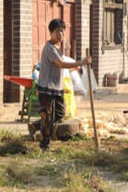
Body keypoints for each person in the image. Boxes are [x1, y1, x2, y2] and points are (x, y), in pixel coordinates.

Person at [35, 18, 92, 150]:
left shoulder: (58, 47)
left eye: (62, 31)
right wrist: (80, 62)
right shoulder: (49, 48)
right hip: (46, 87)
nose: (60, 34)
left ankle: (37, 125)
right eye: (57, 32)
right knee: (48, 117)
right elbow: (61, 64)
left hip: (56, 87)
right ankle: (44, 145)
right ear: (51, 33)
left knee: (59, 114)